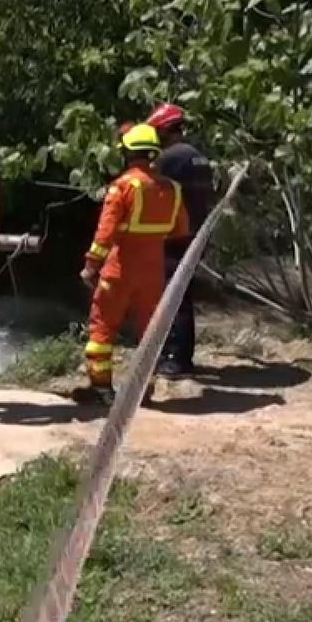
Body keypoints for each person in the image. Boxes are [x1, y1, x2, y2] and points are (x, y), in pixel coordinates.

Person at [73, 123, 191, 406]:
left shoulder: (122, 187)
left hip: (119, 269)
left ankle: (101, 388)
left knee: (102, 329)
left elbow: (104, 234)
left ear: (126, 153)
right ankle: (143, 390)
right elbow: (180, 229)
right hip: (153, 272)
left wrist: (91, 265)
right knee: (149, 332)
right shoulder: (172, 189)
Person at [149, 102, 215, 377]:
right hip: (196, 232)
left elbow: (148, 185)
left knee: (174, 297)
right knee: (181, 294)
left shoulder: (171, 157)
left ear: (164, 131)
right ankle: (177, 355)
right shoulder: (197, 155)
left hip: (178, 235)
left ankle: (177, 359)